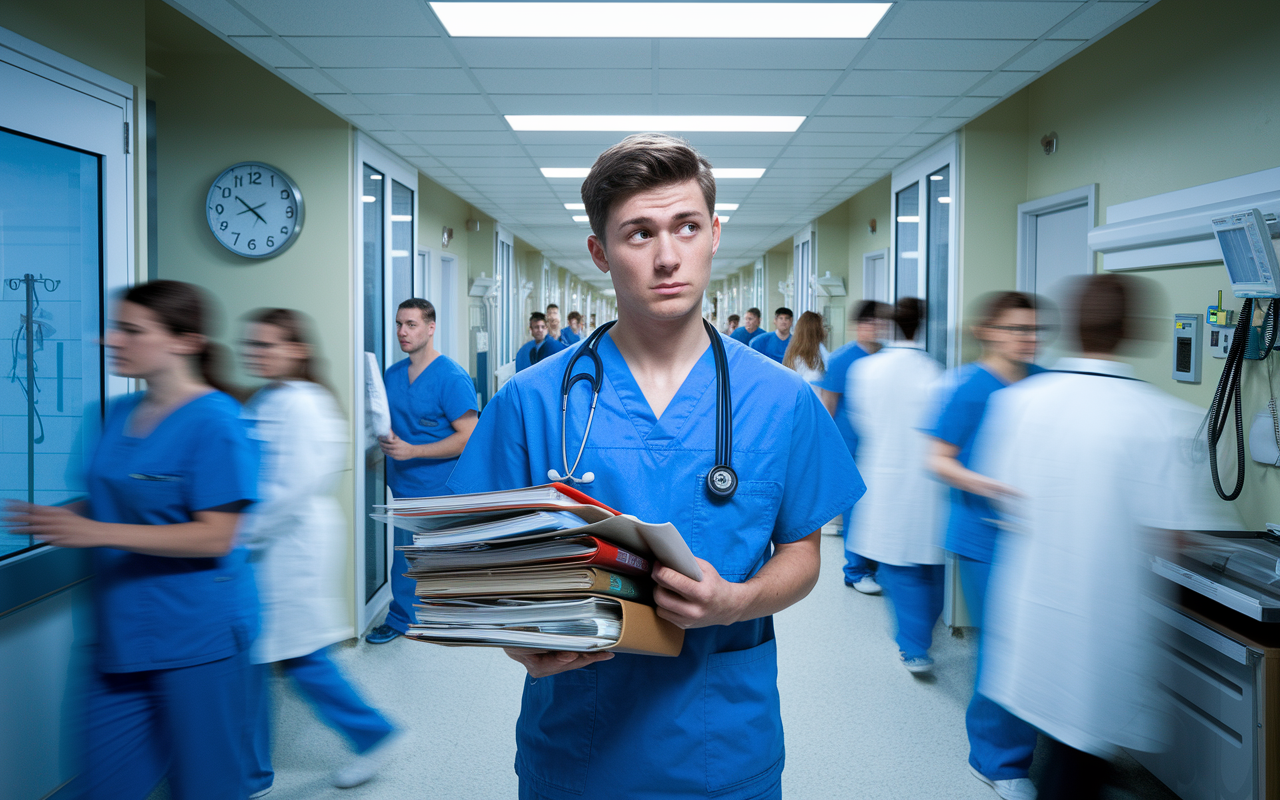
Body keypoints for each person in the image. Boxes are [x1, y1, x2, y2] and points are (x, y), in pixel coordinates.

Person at [447, 132, 863, 800]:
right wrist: (512, 635)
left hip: (722, 743)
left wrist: (737, 602)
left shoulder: (782, 399)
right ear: (600, 252)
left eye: (686, 227)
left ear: (714, 234)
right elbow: (481, 562)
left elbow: (802, 555)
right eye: (638, 233)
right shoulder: (530, 400)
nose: (668, 256)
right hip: (577, 742)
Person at [5, 280, 259, 799]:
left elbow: (217, 536)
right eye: (113, 326)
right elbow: (111, 497)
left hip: (196, 638)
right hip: (117, 637)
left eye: (129, 329)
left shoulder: (217, 422)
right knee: (107, 785)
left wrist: (92, 531)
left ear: (184, 341)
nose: (109, 339)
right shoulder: (112, 414)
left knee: (207, 786)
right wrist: (57, 518)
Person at [977, 275, 1177, 800]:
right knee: (1078, 751)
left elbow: (1006, 495)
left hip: (1037, 601)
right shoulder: (1160, 416)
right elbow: (1173, 536)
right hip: (1107, 614)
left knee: (1066, 747)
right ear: (1135, 330)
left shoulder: (1024, 401)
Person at [239, 308, 397, 792]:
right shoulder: (269, 399)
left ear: (297, 349)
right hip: (273, 544)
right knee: (269, 655)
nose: (256, 353)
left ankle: (372, 734)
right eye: (252, 344)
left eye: (268, 345)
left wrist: (237, 533)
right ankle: (251, 768)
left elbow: (290, 489)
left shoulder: (303, 404)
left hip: (289, 547)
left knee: (295, 654)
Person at [923, 292, 1042, 800]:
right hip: (982, 536)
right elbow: (938, 460)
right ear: (989, 331)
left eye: (1034, 329)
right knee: (1002, 646)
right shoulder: (971, 388)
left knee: (1036, 642)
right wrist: (993, 486)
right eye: (1016, 329)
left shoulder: (1045, 383)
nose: (1028, 338)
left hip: (1036, 536)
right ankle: (996, 760)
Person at [366, 298, 479, 644]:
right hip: (403, 485)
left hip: (439, 485)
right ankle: (401, 619)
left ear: (430, 328)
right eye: (399, 324)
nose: (402, 331)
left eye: (411, 324)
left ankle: (451, 614)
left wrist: (413, 450)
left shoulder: (451, 378)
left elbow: (468, 437)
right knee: (404, 556)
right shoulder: (392, 375)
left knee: (442, 556)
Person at [846, 297, 945, 675]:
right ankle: (918, 638)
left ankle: (913, 645)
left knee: (899, 566)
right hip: (926, 482)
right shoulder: (935, 373)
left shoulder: (866, 369)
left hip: (883, 472)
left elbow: (862, 421)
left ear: (889, 325)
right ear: (922, 325)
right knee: (927, 565)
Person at [817, 300, 889, 594]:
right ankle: (856, 572)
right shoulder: (842, 359)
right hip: (850, 448)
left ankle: (875, 568)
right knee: (858, 513)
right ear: (858, 326)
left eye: (880, 322)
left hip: (882, 449)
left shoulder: (887, 358)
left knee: (880, 511)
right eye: (869, 322)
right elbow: (828, 408)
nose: (875, 328)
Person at [782, 310, 829, 392]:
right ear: (815, 330)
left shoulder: (817, 350)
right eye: (822, 326)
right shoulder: (799, 357)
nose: (825, 330)